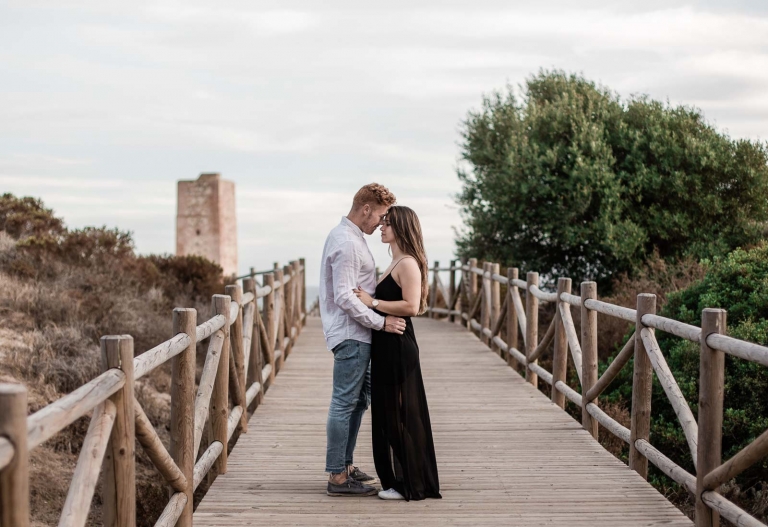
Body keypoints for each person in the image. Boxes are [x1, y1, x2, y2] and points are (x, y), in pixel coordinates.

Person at [319, 183, 407, 497]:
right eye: (381, 215)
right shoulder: (346, 241)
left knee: (356, 402)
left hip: (356, 333)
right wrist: (381, 322)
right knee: (344, 402)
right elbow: (344, 295)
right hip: (352, 333)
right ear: (366, 208)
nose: (382, 223)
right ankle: (337, 477)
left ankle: (345, 466)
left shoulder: (351, 237)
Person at [353, 205, 441, 501]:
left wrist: (372, 303)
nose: (381, 227)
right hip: (386, 345)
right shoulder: (394, 262)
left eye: (387, 224)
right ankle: (398, 480)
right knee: (389, 414)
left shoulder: (408, 264)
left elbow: (412, 306)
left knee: (400, 415)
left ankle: (410, 484)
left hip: (398, 345)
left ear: (401, 228)